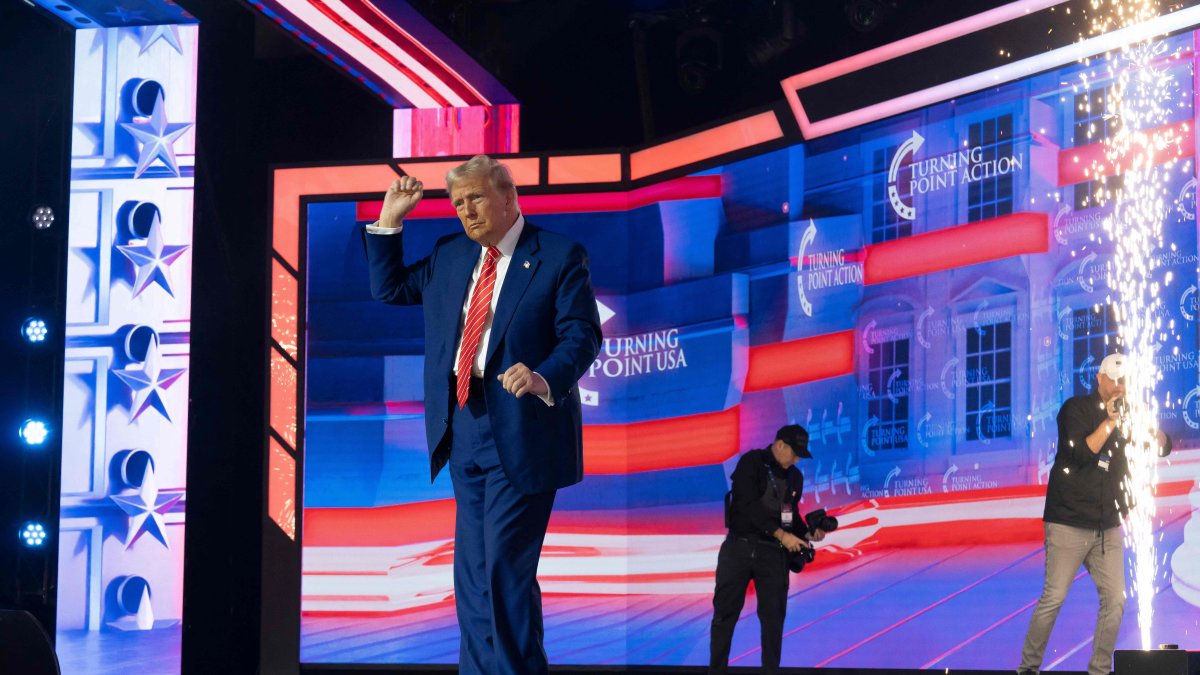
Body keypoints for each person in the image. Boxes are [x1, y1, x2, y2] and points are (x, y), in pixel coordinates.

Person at [363, 155, 602, 675]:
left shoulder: (558, 255)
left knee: (504, 571)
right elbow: (391, 289)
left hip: (523, 430)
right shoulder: (451, 254)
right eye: (456, 203)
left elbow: (582, 334)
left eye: (474, 198)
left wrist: (543, 377)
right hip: (462, 429)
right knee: (471, 576)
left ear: (508, 194)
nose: (465, 211)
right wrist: (390, 221)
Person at [1017, 353, 1171, 675]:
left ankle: (1099, 672)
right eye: (1114, 379)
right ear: (1100, 378)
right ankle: (1027, 669)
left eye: (1124, 380)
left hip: (1107, 526)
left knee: (1115, 601)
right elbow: (1083, 453)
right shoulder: (1075, 409)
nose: (1119, 386)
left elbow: (1163, 447)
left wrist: (1147, 426)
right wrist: (1111, 420)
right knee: (1054, 597)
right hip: (1068, 523)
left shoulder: (1128, 416)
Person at [709, 424, 825, 675]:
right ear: (780, 444)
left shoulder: (795, 477)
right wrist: (782, 535)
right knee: (724, 617)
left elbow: (788, 515)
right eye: (794, 453)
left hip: (773, 555)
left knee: (773, 621)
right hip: (739, 549)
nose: (796, 459)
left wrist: (805, 532)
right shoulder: (751, 462)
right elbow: (746, 507)